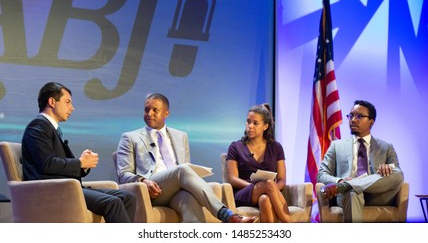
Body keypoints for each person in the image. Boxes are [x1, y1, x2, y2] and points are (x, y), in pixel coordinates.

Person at [116, 92, 257, 223]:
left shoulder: (180, 136)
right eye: (147, 110)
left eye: (155, 110)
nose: (149, 113)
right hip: (150, 190)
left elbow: (185, 168)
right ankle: (227, 214)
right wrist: (143, 181)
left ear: (166, 113)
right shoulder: (130, 138)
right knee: (182, 170)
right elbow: (123, 174)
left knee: (190, 201)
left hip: (175, 190)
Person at [22, 82, 136, 223]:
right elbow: (47, 164)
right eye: (67, 102)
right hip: (52, 190)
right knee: (113, 202)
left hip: (67, 187)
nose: (72, 108)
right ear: (52, 101)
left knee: (128, 198)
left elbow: (57, 164)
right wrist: (80, 162)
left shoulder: (50, 128)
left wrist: (83, 165)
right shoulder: (38, 126)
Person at [317, 100, 404, 222]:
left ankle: (346, 186)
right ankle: (348, 186)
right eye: (351, 115)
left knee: (397, 173)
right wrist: (339, 180)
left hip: (378, 195)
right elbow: (321, 174)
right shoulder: (336, 146)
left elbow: (396, 174)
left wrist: (388, 168)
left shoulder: (386, 147)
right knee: (353, 193)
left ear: (371, 122)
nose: (353, 120)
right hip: (349, 196)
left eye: (359, 116)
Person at [226, 103, 293, 223]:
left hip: (268, 191)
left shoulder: (276, 147)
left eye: (255, 123)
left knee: (265, 199)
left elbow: (282, 179)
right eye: (248, 121)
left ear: (265, 126)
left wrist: (270, 189)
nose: (250, 126)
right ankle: (291, 225)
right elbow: (232, 178)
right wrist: (259, 187)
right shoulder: (235, 147)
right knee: (267, 183)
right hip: (243, 193)